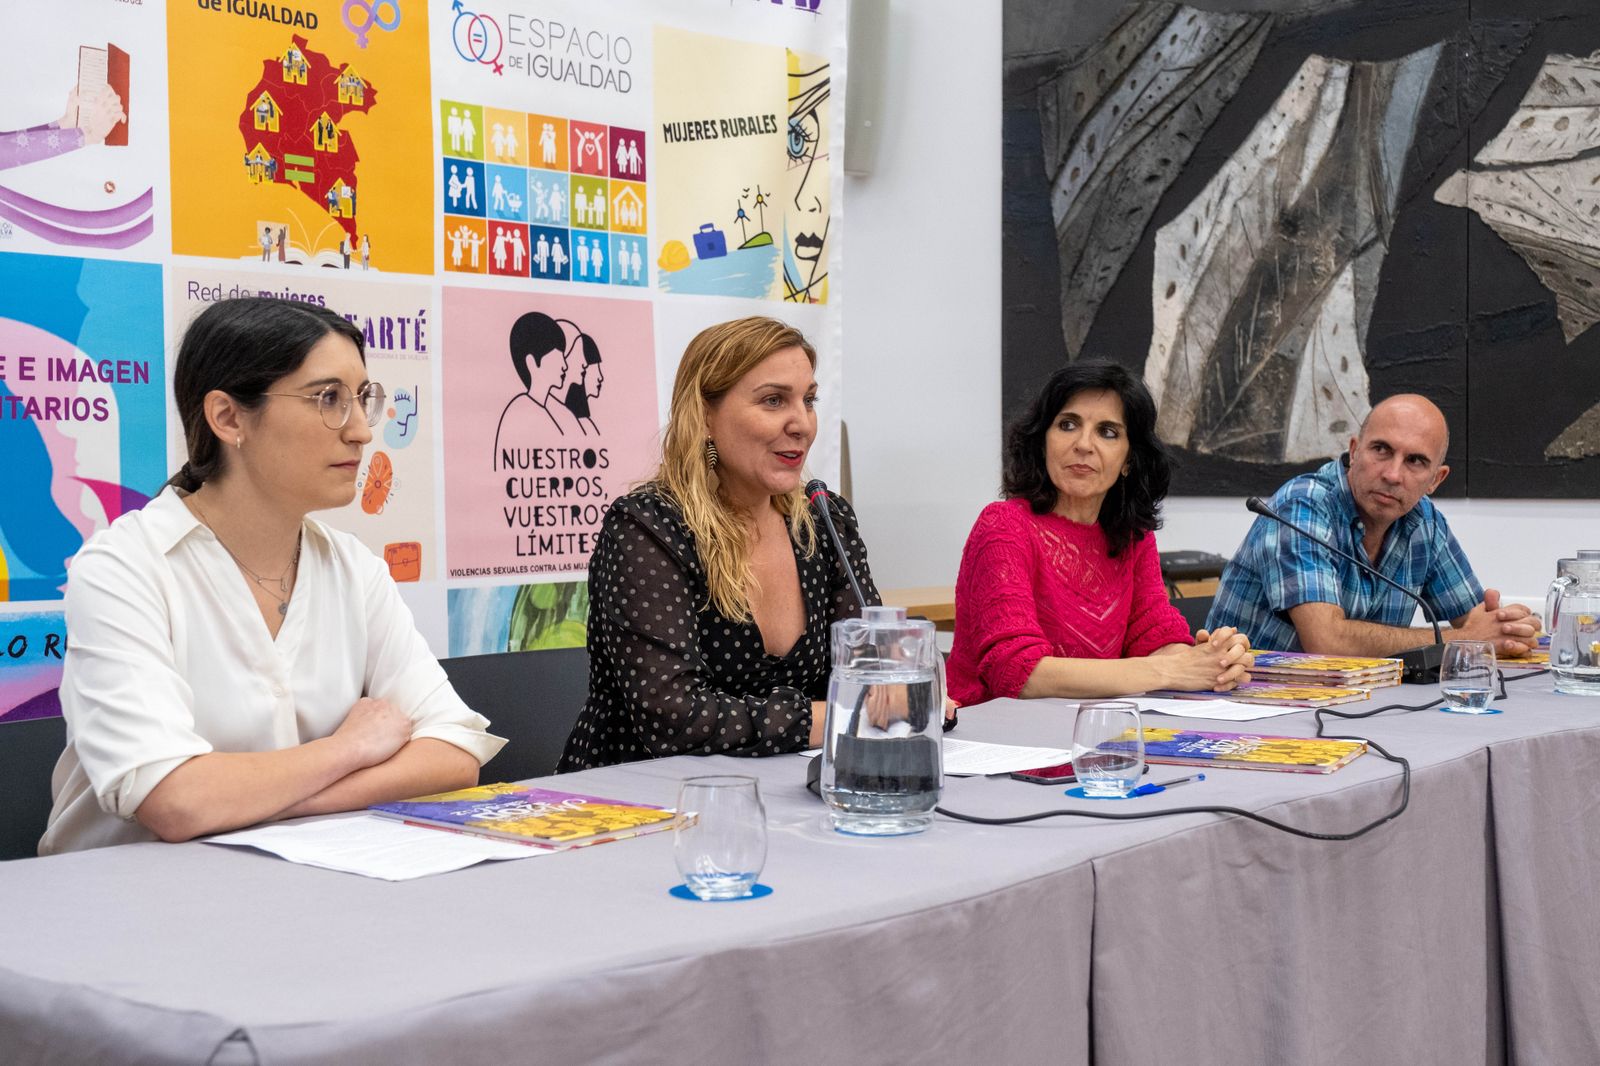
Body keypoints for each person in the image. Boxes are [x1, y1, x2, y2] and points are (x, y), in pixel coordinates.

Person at [39, 298, 504, 854]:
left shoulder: (354, 569)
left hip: (296, 890)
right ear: (229, 418)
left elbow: (453, 751)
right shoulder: (124, 568)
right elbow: (174, 799)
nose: (360, 431)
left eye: (361, 399)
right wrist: (349, 749)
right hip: (120, 909)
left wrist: (275, 803)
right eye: (327, 398)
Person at [558, 317, 876, 770]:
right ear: (706, 416)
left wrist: (905, 697)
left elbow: (876, 680)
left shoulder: (826, 520)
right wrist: (842, 715)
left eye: (808, 400)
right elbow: (675, 719)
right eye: (773, 401)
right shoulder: (648, 527)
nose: (802, 423)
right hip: (640, 804)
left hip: (789, 795)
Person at [947, 362, 1252, 705]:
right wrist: (1172, 670)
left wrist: (1215, 660)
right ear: (1042, 442)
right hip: (1001, 744)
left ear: (1128, 461)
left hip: (1096, 735)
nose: (1083, 444)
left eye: (1107, 432)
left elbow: (1154, 634)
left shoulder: (1131, 534)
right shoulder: (1003, 526)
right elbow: (1017, 673)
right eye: (1067, 424)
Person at [1207, 394, 1540, 656]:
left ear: (1435, 480)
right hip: (1251, 707)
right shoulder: (1302, 505)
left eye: (1415, 461)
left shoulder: (1424, 521)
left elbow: (1476, 622)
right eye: (1382, 450)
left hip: (1359, 706)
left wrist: (1511, 629)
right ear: (1354, 451)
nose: (1393, 475)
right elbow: (1327, 643)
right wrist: (1465, 638)